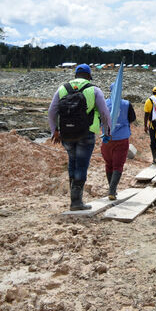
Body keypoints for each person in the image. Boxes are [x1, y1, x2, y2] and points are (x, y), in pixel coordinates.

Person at [48, 64, 111, 211]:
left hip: (66, 134)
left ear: (76, 75)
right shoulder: (94, 90)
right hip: (86, 133)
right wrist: (107, 132)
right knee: (81, 165)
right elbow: (105, 113)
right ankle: (76, 202)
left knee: (72, 162)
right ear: (89, 76)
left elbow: (52, 111)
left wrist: (54, 131)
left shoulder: (62, 88)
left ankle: (74, 200)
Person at [102, 83, 136, 200]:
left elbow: (98, 118)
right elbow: (132, 118)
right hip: (122, 138)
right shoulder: (126, 104)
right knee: (118, 165)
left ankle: (112, 189)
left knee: (109, 164)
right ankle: (112, 190)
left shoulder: (104, 103)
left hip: (107, 138)